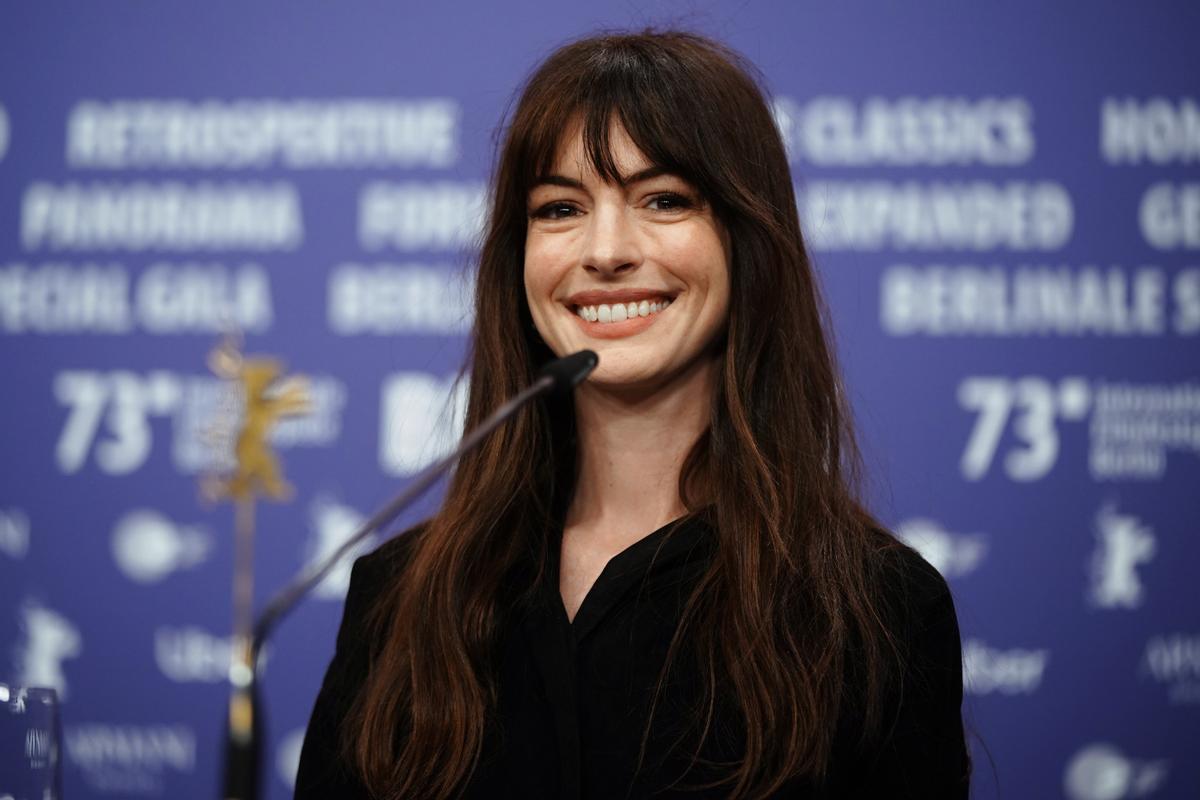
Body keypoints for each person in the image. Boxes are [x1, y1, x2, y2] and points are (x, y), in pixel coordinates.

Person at [296, 30, 970, 799]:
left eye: (664, 199)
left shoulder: (875, 610)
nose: (606, 250)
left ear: (747, 242)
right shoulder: (401, 596)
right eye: (559, 208)